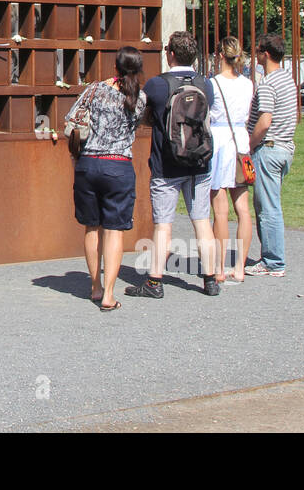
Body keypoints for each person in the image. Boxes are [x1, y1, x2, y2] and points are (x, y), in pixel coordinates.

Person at [126, 30, 219, 299]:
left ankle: (155, 282)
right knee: (202, 221)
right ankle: (210, 280)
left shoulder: (158, 84)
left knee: (163, 224)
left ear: (171, 54)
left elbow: (144, 115)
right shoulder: (205, 84)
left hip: (166, 164)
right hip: (200, 162)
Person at [64, 46, 148, 310]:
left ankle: (95, 287)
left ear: (115, 67)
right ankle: (110, 294)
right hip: (119, 167)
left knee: (91, 227)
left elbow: (71, 121)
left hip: (88, 165)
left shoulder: (94, 90)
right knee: (114, 231)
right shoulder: (140, 98)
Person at [246, 33, 297, 277]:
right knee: (269, 204)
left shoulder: (267, 83)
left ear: (265, 54)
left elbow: (265, 121)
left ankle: (273, 262)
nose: (255, 55)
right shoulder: (287, 79)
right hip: (285, 148)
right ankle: (271, 256)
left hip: (268, 148)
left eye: (257, 50)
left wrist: (250, 143)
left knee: (268, 207)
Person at [207, 37, 255, 284]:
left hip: (219, 139)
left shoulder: (212, 83)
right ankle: (240, 267)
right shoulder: (248, 84)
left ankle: (219, 267)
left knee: (220, 209)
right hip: (240, 140)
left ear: (219, 55)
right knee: (243, 209)